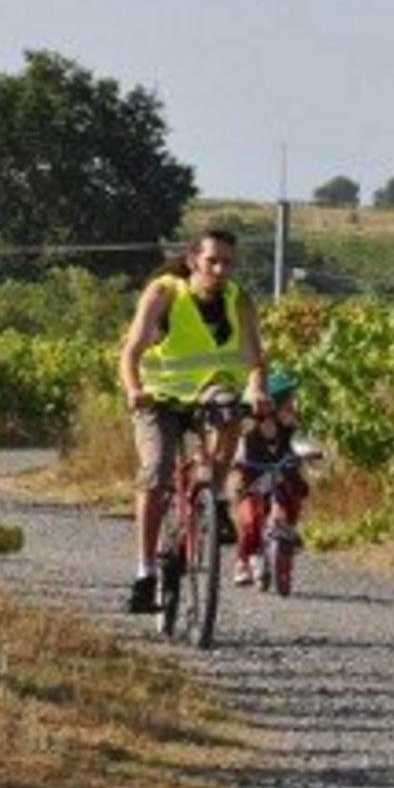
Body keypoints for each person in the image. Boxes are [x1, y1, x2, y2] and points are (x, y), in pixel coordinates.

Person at [117, 226, 268, 614]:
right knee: (157, 469)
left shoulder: (239, 300)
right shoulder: (165, 293)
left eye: (228, 263)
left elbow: (254, 359)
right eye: (212, 261)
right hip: (160, 395)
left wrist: (258, 389)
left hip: (208, 391)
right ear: (192, 262)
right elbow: (131, 351)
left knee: (233, 412)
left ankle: (210, 499)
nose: (220, 270)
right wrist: (134, 389)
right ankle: (145, 573)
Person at [231, 366, 313, 587]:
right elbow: (237, 452)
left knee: (293, 496)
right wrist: (236, 461)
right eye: (287, 403)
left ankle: (289, 530)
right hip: (254, 484)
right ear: (271, 408)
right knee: (248, 520)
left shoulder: (291, 430)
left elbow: (301, 444)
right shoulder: (249, 433)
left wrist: (308, 452)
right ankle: (242, 560)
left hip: (283, 481)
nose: (292, 408)